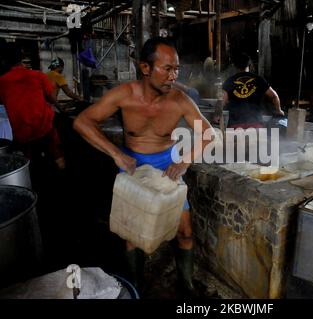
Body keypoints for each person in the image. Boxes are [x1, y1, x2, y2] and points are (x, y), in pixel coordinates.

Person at [73, 37, 214, 296]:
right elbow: (82, 122)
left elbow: (208, 133)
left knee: (185, 231)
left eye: (176, 69)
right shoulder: (124, 95)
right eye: (167, 68)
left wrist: (183, 162)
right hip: (132, 166)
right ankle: (136, 284)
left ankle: (186, 285)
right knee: (132, 233)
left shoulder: (180, 100)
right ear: (145, 68)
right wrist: (116, 154)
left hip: (167, 166)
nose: (173, 75)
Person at [0, 43, 65, 169]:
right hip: (44, 127)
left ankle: (34, 183)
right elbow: (51, 98)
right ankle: (64, 177)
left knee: (29, 163)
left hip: (22, 133)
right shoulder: (38, 75)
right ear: (21, 58)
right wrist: (60, 108)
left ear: (4, 60)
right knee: (57, 155)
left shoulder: (1, 82)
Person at [214, 52, 284, 129]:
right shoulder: (259, 79)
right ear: (249, 65)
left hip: (236, 126)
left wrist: (217, 115)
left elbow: (221, 101)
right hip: (256, 125)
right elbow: (274, 96)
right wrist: (279, 110)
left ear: (235, 66)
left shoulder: (230, 81)